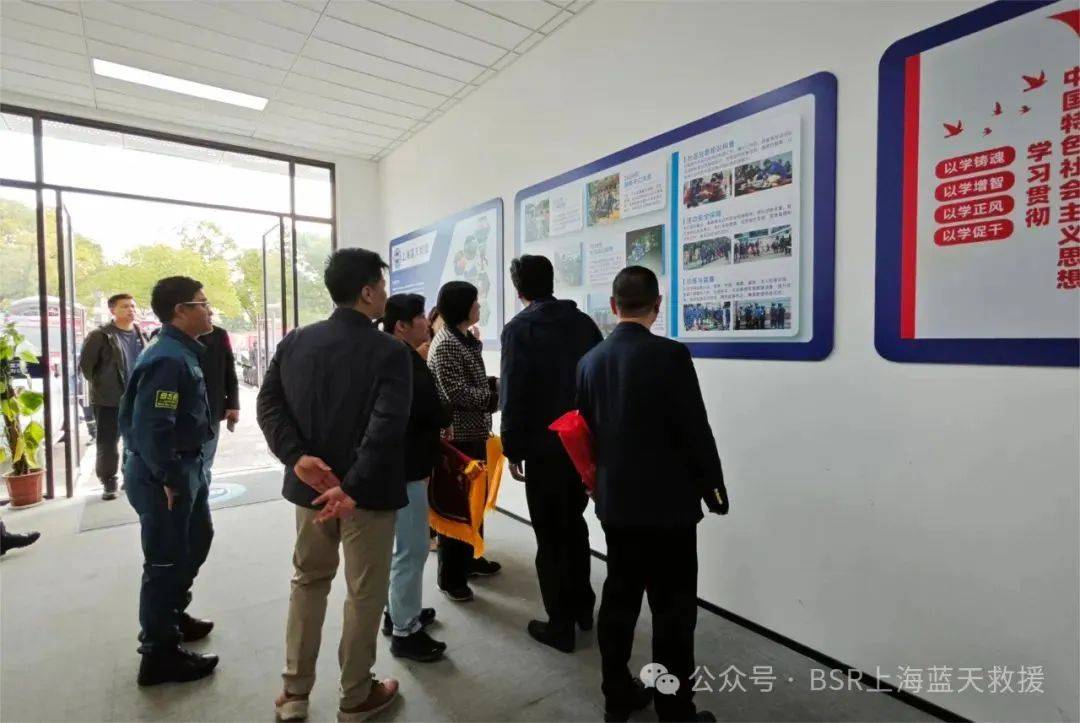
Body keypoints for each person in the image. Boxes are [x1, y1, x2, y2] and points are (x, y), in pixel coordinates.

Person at [257, 249, 411, 723]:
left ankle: (294, 693)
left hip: (311, 491)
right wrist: (351, 487)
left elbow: (268, 404)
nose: (384, 294)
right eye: (381, 286)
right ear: (366, 292)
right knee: (364, 593)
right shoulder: (391, 351)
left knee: (308, 581)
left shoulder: (296, 341)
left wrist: (296, 458)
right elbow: (386, 425)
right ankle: (356, 695)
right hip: (366, 498)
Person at [576, 266, 729, 723]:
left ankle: (616, 696)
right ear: (658, 306)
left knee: (619, 599)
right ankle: (674, 709)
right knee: (673, 611)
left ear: (613, 306)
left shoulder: (590, 362)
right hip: (669, 508)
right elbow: (694, 428)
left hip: (617, 504)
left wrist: (594, 483)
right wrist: (713, 487)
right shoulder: (671, 355)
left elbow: (585, 436)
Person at [119, 276, 218, 686]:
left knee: (197, 539)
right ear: (181, 310)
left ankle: (172, 614)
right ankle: (158, 653)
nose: (209, 310)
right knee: (165, 560)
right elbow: (153, 426)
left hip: (184, 466)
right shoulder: (167, 358)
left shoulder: (181, 351)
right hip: (164, 474)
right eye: (202, 303)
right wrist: (168, 477)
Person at [500, 255, 602, 654]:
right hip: (579, 444)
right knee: (574, 525)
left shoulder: (519, 329)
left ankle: (560, 624)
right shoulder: (584, 324)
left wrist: (512, 449)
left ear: (519, 289)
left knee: (549, 535)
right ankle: (584, 609)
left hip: (542, 448)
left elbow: (513, 394)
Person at [378, 293, 451, 662]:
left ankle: (397, 612)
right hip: (407, 468)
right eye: (421, 315)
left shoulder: (393, 355)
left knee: (403, 547)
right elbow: (432, 410)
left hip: (399, 465)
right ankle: (405, 632)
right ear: (401, 326)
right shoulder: (404, 361)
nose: (427, 321)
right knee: (412, 548)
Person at [427, 281, 501, 602]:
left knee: (475, 502)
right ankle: (450, 578)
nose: (479, 306)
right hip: (457, 437)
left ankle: (471, 558)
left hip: (475, 433)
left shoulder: (466, 339)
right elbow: (456, 392)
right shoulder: (445, 344)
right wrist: (495, 397)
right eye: (475, 302)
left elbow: (472, 382)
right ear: (462, 307)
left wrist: (494, 385)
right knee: (457, 508)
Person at [78, 293, 147, 500]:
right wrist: (104, 385)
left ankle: (131, 477)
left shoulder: (140, 333)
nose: (131, 310)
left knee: (135, 440)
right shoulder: (100, 335)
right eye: (125, 306)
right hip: (109, 399)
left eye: (133, 306)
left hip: (137, 398)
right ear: (112, 310)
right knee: (108, 443)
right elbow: (86, 367)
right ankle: (109, 482)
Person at [197, 325, 239, 488]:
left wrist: (233, 404)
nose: (210, 313)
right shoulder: (163, 337)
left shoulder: (219, 334)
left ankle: (201, 499)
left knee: (205, 464)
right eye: (205, 310)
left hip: (212, 409)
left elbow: (230, 370)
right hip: (179, 416)